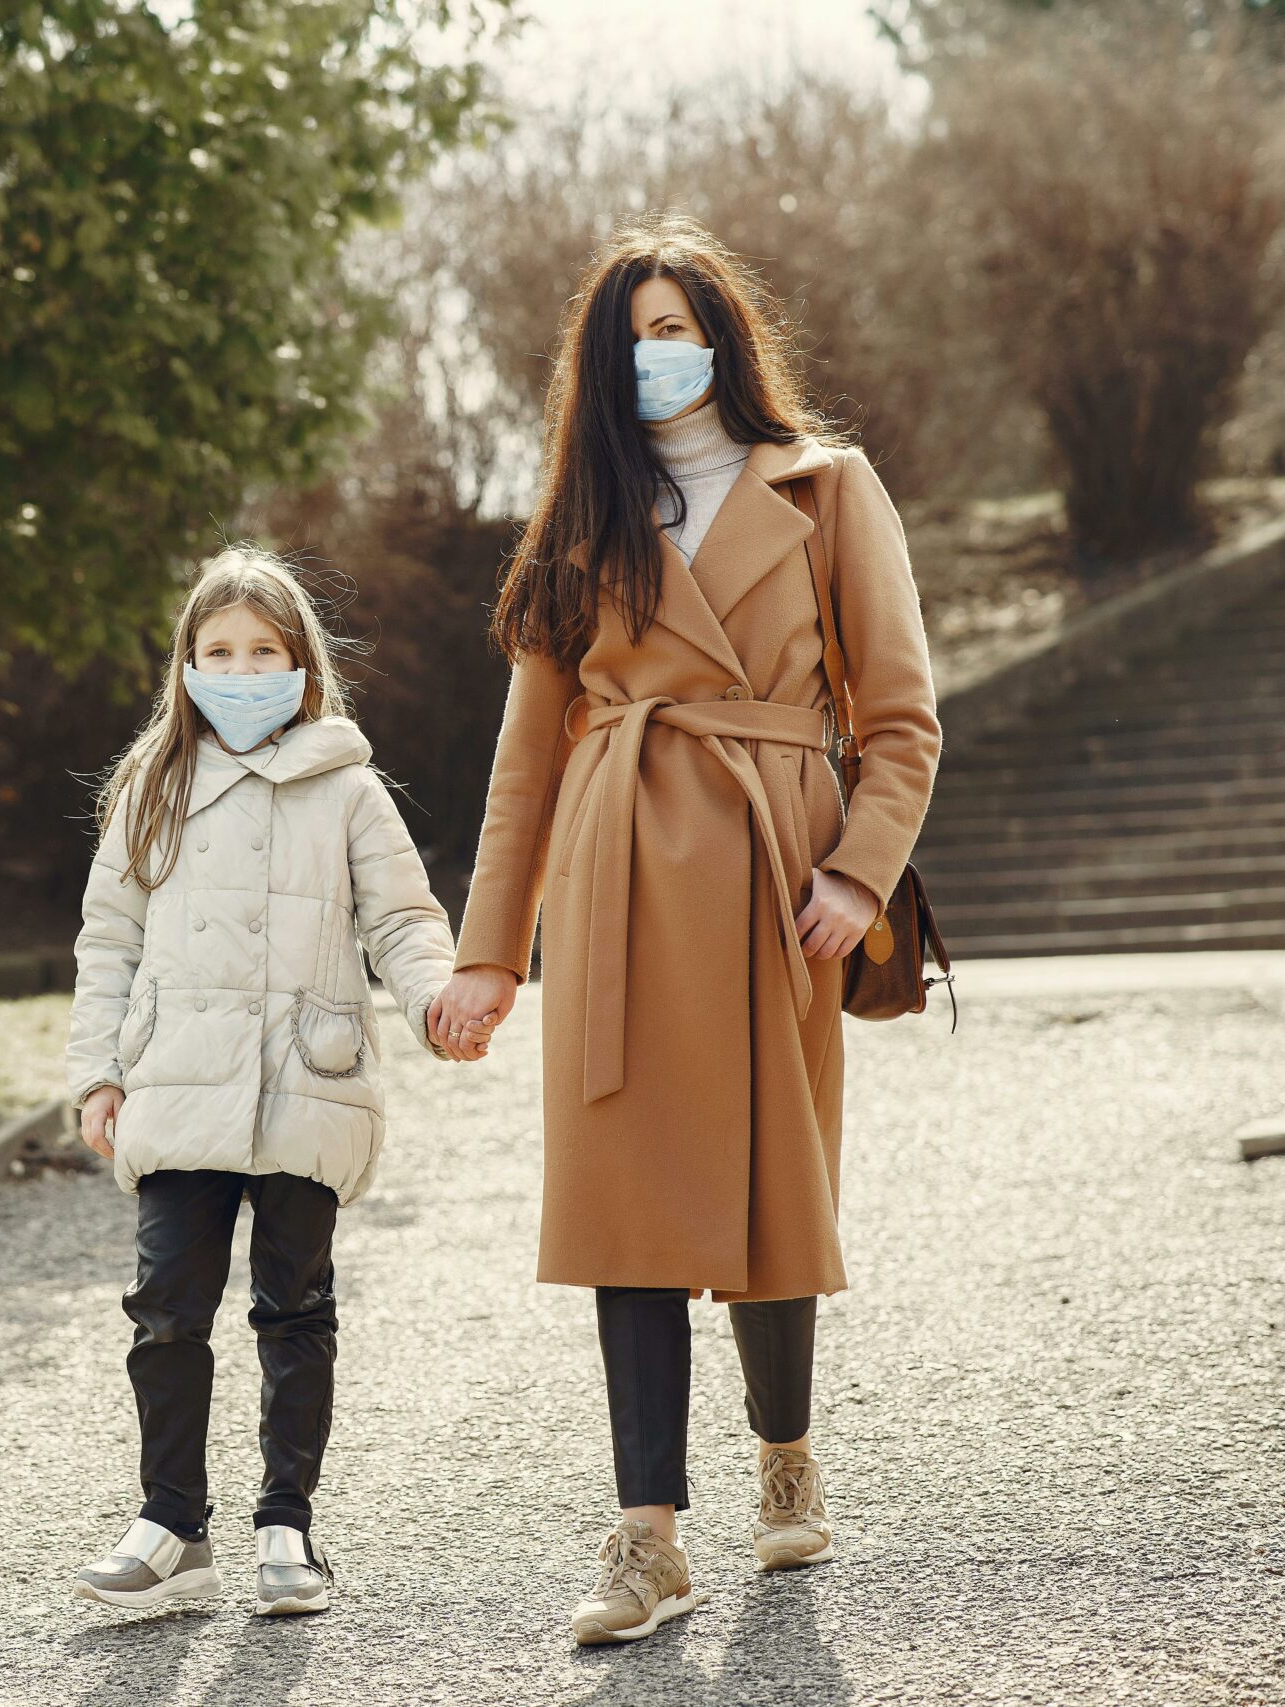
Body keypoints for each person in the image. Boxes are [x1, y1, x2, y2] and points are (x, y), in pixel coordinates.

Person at [426, 212, 941, 1647]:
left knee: (777, 1173)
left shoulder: (829, 489)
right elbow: (525, 758)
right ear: (597, 367)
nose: (655, 355)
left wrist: (860, 870)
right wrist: (487, 950)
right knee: (624, 1194)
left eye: (675, 326)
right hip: (615, 875)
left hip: (777, 875)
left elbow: (900, 717)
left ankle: (786, 1447)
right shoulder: (578, 524)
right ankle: (646, 1533)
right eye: (629, 336)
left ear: (724, 336)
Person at [65, 545, 489, 1617]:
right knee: (165, 1306)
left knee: (292, 1308)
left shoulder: (347, 790)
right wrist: (97, 1073)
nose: (242, 670)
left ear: (302, 668)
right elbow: (107, 939)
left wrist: (436, 998)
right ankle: (170, 1523)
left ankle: (286, 1524)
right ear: (186, 666)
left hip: (309, 1077)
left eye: (264, 652)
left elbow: (401, 917)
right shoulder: (150, 790)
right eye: (220, 652)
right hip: (176, 1084)